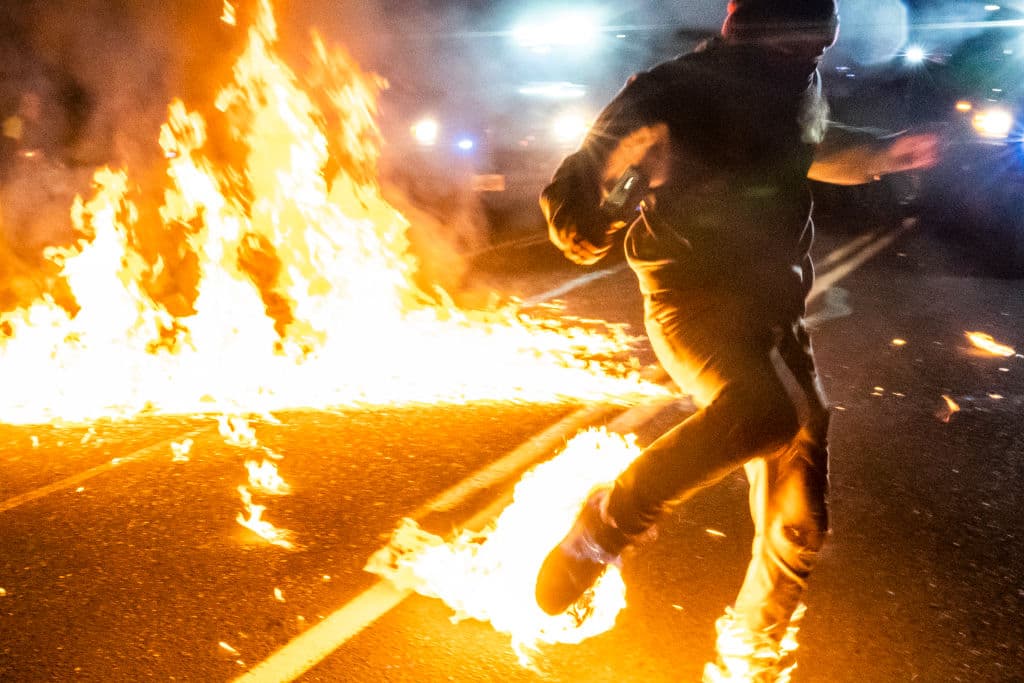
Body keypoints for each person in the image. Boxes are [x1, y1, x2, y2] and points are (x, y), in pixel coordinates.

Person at [533, 1, 937, 680]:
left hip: (774, 315)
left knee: (800, 513)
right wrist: (598, 210)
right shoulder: (674, 89)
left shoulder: (794, 80)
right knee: (761, 415)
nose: (809, 52)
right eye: (799, 39)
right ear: (759, 27)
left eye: (817, 40)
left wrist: (885, 151)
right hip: (693, 302)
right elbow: (572, 201)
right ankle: (605, 521)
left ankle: (754, 649)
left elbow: (809, 141)